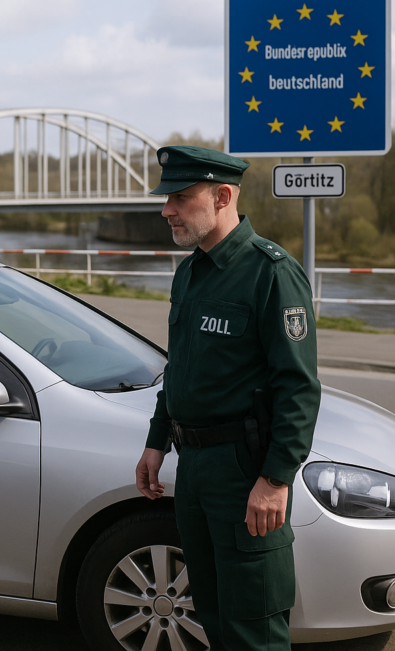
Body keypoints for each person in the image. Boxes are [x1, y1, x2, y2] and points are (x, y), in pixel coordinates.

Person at [134, 145, 321, 651]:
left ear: (222, 196)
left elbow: (298, 388)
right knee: (213, 618)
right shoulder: (190, 272)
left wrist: (275, 479)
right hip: (194, 468)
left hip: (243, 473)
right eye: (166, 198)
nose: (166, 209)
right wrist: (157, 441)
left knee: (252, 628)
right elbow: (182, 368)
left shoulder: (271, 274)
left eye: (178, 197)